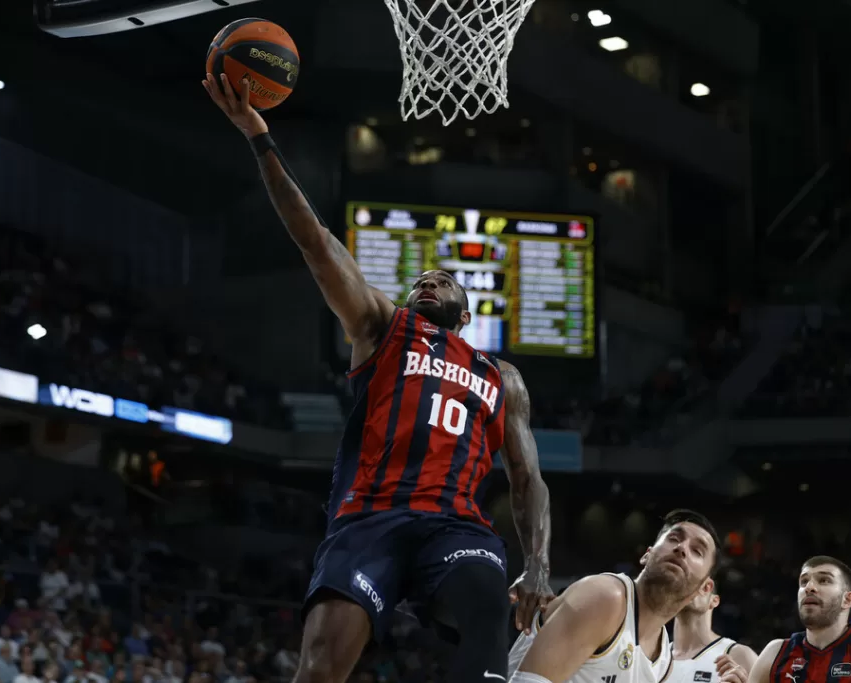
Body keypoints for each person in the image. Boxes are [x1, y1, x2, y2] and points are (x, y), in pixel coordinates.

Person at [203, 73, 554, 683]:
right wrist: (259, 137)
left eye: (443, 281)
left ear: (465, 316)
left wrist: (540, 565)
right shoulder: (383, 326)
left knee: (486, 603)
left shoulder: (502, 377)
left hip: (456, 525)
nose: (427, 281)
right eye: (420, 279)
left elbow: (527, 479)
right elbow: (316, 242)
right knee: (320, 667)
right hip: (371, 519)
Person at [507, 509, 721, 683]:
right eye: (674, 538)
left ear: (704, 588)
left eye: (697, 551)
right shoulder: (606, 596)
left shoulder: (664, 661)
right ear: (647, 555)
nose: (682, 548)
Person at [668, 586, 757, 683]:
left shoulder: (739, 655)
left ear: (714, 600)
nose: (690, 588)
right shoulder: (658, 656)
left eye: (701, 585)